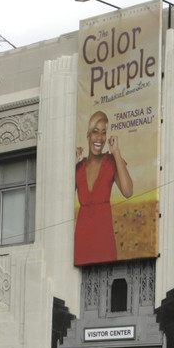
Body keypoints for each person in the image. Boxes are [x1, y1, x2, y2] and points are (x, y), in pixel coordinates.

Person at [74, 110, 133, 264]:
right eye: (95, 132)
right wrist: (71, 165)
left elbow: (128, 191)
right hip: (82, 237)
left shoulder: (110, 161)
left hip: (103, 236)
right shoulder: (78, 167)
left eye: (103, 132)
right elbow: (61, 202)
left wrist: (116, 153)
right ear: (88, 135)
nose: (99, 137)